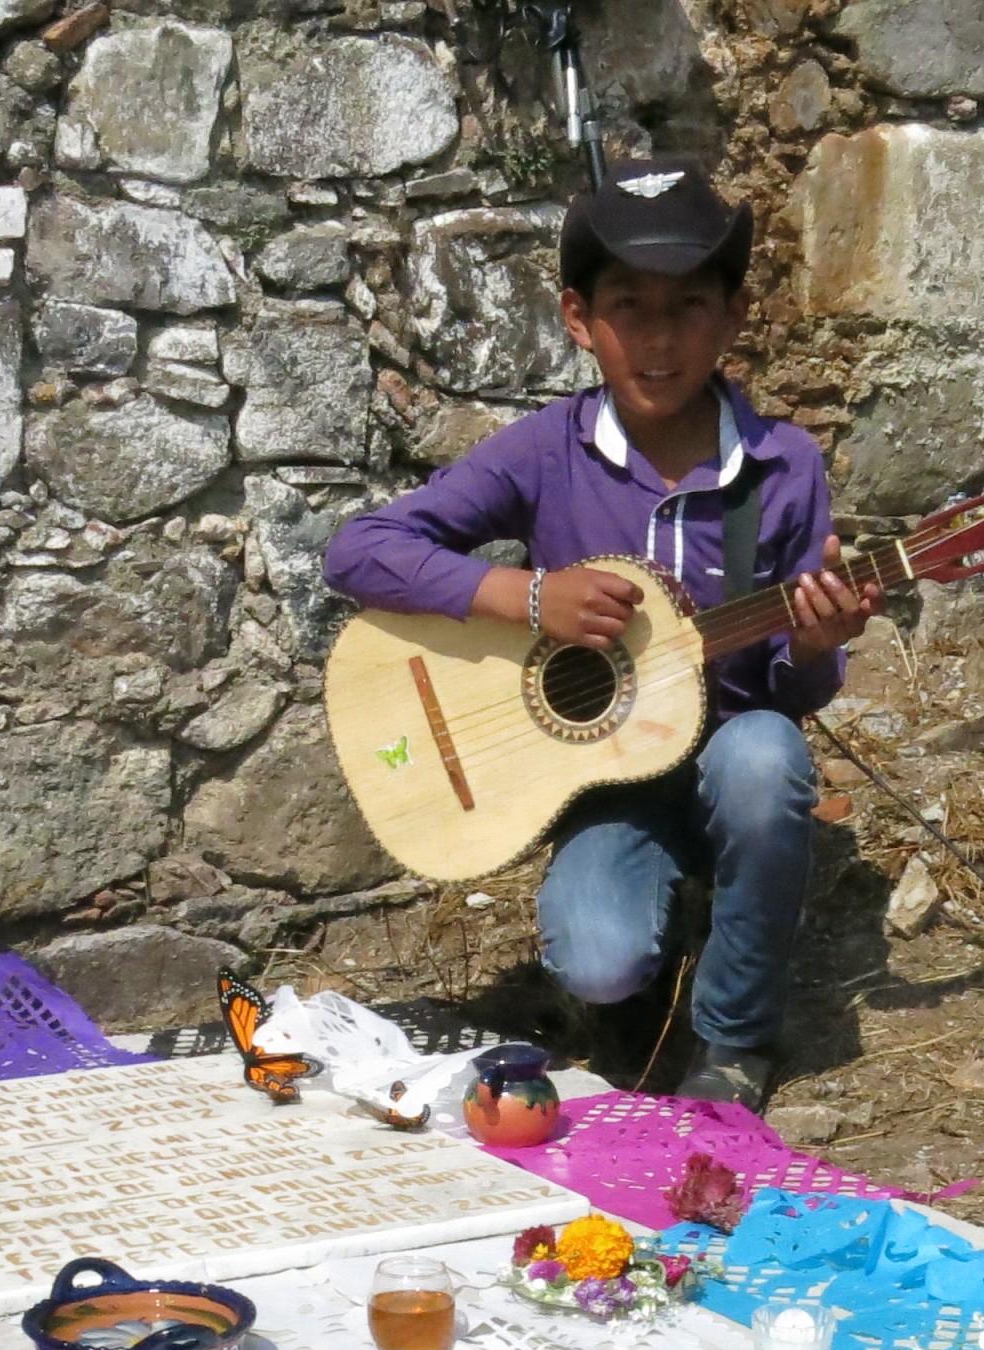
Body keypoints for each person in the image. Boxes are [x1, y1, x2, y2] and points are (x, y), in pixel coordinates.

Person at [322, 165, 877, 1106]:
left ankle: (735, 1039)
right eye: (630, 307)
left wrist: (818, 647)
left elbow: (789, 695)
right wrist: (525, 597)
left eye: (690, 306)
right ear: (580, 319)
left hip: (728, 755)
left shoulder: (782, 466)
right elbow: (357, 550)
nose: (659, 339)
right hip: (596, 779)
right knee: (596, 962)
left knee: (763, 760)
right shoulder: (547, 450)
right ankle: (645, 972)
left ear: (734, 316)